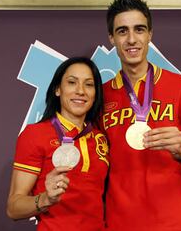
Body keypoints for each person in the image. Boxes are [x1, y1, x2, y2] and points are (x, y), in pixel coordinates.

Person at [102, 0, 181, 230]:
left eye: (139, 29)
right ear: (112, 38)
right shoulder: (99, 97)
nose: (132, 39)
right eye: (122, 31)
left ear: (150, 34)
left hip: (176, 224)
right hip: (120, 224)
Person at [7, 57, 109, 231]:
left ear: (95, 94)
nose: (81, 91)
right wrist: (46, 199)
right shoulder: (35, 134)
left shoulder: (101, 137)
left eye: (89, 84)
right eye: (71, 82)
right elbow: (13, 207)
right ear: (57, 89)